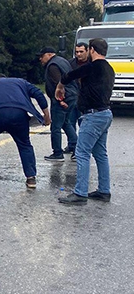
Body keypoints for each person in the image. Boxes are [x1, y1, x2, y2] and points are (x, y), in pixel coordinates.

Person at [57, 38, 115, 205]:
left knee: (82, 153)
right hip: (105, 113)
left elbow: (70, 75)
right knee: (100, 154)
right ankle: (104, 190)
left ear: (92, 50)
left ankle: (80, 193)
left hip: (92, 115)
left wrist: (60, 86)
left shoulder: (93, 67)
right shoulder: (109, 69)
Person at [38, 47, 78, 161]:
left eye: (42, 56)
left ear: (49, 54)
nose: (40, 59)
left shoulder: (52, 66)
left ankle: (57, 153)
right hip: (72, 95)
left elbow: (58, 84)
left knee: (55, 126)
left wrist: (60, 100)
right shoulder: (63, 61)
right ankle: (77, 148)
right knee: (66, 123)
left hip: (62, 98)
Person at [68, 43, 90, 131]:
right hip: (72, 97)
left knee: (84, 124)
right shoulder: (70, 63)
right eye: (77, 52)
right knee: (70, 122)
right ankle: (72, 139)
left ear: (87, 51)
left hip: (86, 100)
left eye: (81, 51)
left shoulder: (92, 64)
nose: (78, 54)